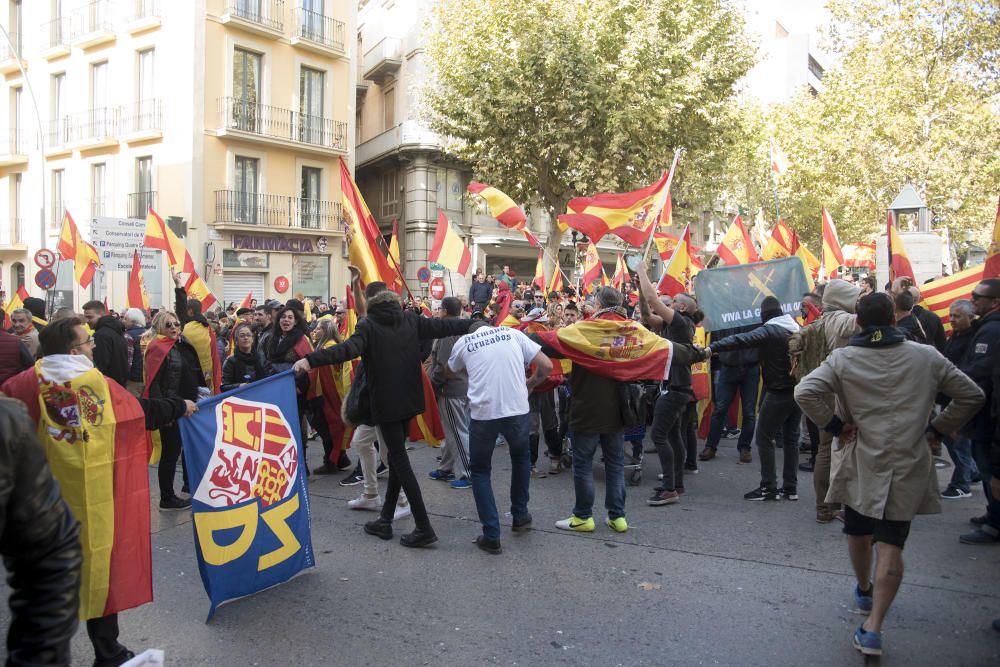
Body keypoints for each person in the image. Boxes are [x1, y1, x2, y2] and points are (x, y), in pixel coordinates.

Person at [794, 292, 982, 657]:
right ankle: (874, 627)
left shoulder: (843, 359)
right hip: (908, 462)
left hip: (861, 462)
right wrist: (938, 429)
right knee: (892, 546)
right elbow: (971, 395)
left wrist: (836, 425)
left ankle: (864, 589)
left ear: (858, 324)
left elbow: (805, 391)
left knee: (858, 530)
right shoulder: (926, 356)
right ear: (895, 320)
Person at [2, 317, 197, 667]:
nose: (93, 345)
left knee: (42, 581)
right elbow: (142, 412)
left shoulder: (21, 385)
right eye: (88, 341)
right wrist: (180, 406)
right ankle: (108, 651)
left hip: (39, 506)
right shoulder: (100, 386)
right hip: (96, 504)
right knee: (99, 573)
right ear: (74, 350)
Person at [293, 282, 473, 548]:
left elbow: (347, 350)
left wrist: (311, 359)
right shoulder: (411, 320)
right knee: (398, 458)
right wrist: (476, 325)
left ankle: (424, 527)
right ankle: (385, 519)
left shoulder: (369, 325)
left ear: (370, 302)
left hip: (386, 404)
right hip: (410, 401)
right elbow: (447, 326)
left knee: (400, 463)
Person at [448, 320, 551, 553]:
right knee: (521, 459)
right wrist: (531, 384)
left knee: (481, 470)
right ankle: (520, 514)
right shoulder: (513, 334)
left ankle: (491, 534)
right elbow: (546, 366)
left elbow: (450, 369)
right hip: (516, 410)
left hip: (484, 413)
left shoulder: (465, 341)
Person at [0, 397, 81, 666]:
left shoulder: (8, 423)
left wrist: (40, 658)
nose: (91, 350)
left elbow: (52, 549)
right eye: (87, 348)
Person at [705, 296, 801, 502]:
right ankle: (790, 488)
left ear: (764, 315)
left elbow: (740, 340)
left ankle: (768, 488)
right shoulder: (795, 327)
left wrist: (713, 348)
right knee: (792, 439)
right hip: (798, 391)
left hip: (778, 391)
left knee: (764, 438)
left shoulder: (770, 330)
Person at [635, 263, 696, 504]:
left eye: (670, 304)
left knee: (659, 436)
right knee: (672, 437)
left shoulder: (681, 323)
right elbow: (646, 315)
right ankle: (676, 484)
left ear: (680, 307)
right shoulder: (672, 325)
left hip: (675, 389)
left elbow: (654, 300)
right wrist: (640, 289)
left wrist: (641, 270)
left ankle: (669, 488)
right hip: (674, 388)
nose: (666, 305)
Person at [144, 310, 206, 510]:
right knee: (170, 454)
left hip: (185, 406)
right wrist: (163, 412)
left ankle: (187, 486)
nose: (174, 328)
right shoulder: (157, 347)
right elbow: (154, 383)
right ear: (160, 327)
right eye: (169, 324)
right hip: (171, 409)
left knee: (184, 448)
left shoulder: (180, 344)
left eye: (177, 324)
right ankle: (167, 497)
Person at [958, 279, 1000, 545]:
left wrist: (954, 383)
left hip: (987, 411)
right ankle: (992, 514)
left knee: (990, 468)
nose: (972, 300)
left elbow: (980, 371)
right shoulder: (984, 327)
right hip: (983, 409)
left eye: (978, 297)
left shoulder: (992, 331)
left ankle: (995, 524)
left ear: (995, 302)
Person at [428, 296, 474, 489]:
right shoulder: (466, 329)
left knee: (457, 431)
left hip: (451, 388)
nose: (437, 312)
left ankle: (467, 473)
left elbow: (443, 365)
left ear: (445, 311)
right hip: (463, 386)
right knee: (452, 429)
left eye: (439, 309)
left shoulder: (447, 334)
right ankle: (446, 468)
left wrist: (433, 385)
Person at [937, 300, 980, 499]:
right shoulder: (956, 336)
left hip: (961, 399)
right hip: (948, 398)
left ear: (970, 317)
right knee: (949, 437)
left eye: (957, 316)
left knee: (960, 441)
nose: (952, 320)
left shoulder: (974, 339)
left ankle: (962, 483)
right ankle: (971, 472)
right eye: (951, 315)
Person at [172, 269, 221, 393]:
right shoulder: (207, 328)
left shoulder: (187, 327)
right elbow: (215, 356)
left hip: (189, 380)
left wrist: (178, 286)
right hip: (207, 379)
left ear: (190, 311)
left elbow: (180, 312)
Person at [83, 300, 130, 388]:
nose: (86, 321)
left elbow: (100, 366)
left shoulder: (101, 335)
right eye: (85, 317)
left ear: (101, 314)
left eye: (90, 317)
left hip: (108, 386)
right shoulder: (115, 330)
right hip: (118, 384)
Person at [221, 323, 270, 392]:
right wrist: (239, 386)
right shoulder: (230, 361)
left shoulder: (261, 358)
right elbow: (224, 387)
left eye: (248, 335)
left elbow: (269, 378)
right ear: (236, 341)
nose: (246, 338)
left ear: (252, 339)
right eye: (242, 335)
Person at [123, 308, 147, 398]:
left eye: (125, 319)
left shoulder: (128, 335)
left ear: (133, 321)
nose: (123, 321)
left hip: (133, 381)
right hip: (147, 378)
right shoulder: (148, 333)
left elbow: (128, 360)